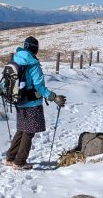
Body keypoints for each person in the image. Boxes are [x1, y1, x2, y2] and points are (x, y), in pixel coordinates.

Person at [5, 36, 66, 169]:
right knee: (29, 132)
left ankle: (10, 158)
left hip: (19, 100)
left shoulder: (16, 59)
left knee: (21, 129)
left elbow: (6, 80)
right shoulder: (32, 63)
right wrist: (54, 97)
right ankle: (19, 162)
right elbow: (39, 86)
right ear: (35, 49)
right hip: (31, 102)